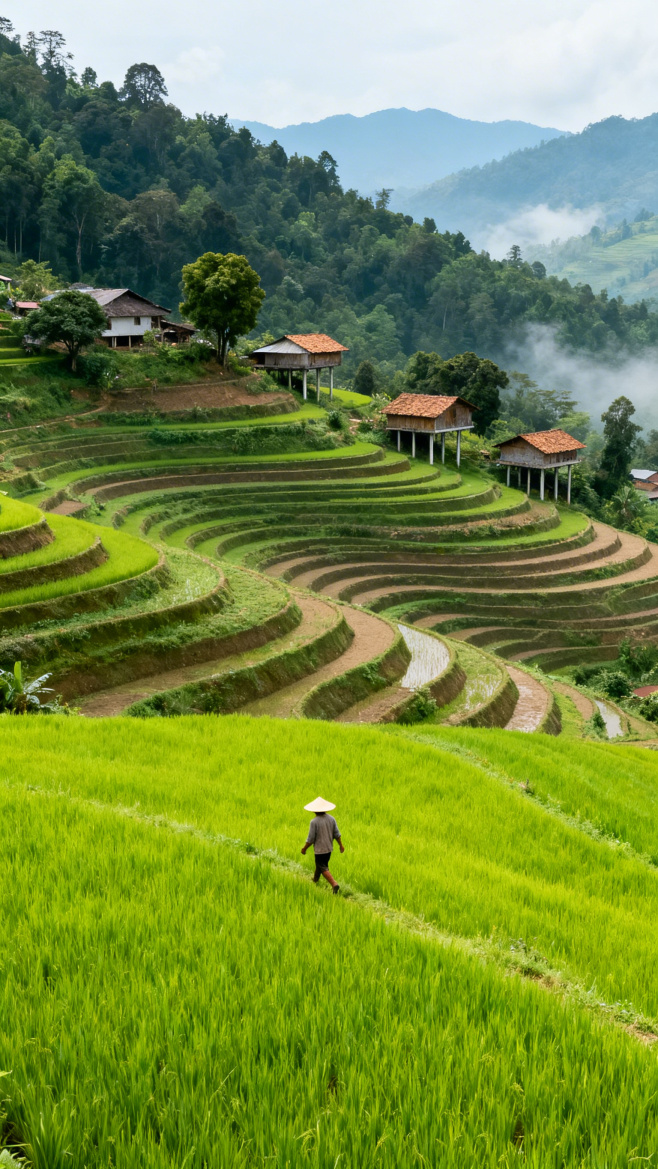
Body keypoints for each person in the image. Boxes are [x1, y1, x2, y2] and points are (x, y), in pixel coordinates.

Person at [301, 796, 344, 894]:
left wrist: (304, 849)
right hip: (329, 849)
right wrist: (340, 845)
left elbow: (311, 839)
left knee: (322, 867)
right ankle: (315, 880)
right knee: (320, 866)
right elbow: (337, 834)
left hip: (320, 850)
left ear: (314, 810)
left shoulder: (314, 822)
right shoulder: (331, 819)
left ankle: (334, 884)